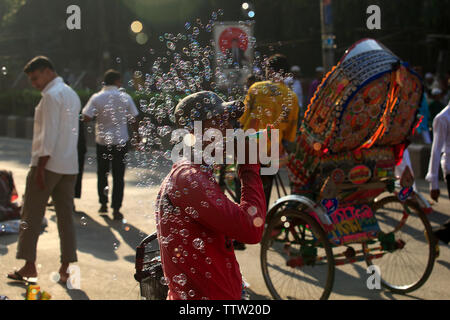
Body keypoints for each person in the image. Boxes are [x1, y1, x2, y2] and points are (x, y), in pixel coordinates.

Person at [156, 91, 266, 300]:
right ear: (193, 132)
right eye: (220, 121)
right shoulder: (189, 178)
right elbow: (252, 229)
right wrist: (249, 167)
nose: (232, 128)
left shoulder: (198, 173)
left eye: (230, 121)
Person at [7, 56, 81, 284]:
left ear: (48, 71)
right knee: (65, 218)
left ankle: (29, 265)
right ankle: (65, 268)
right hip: (69, 165)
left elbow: (47, 135)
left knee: (31, 214)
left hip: (47, 165)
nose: (34, 83)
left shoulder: (51, 96)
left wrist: (40, 167)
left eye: (35, 78)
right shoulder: (71, 93)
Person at [239, 54, 299, 209]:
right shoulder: (292, 97)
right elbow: (290, 133)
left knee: (244, 189)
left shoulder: (256, 88)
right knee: (263, 194)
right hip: (272, 152)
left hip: (249, 148)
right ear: (286, 73)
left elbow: (242, 118)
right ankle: (261, 225)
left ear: (269, 71)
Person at [82, 70, 139, 221]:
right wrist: (138, 137)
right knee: (119, 176)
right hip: (121, 141)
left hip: (102, 141)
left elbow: (86, 117)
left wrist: (99, 116)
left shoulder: (97, 97)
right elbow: (134, 118)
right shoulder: (125, 97)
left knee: (102, 173)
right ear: (117, 81)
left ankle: (103, 204)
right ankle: (116, 209)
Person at [426, 99, 450, 244]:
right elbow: (435, 151)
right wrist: (433, 184)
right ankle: (437, 235)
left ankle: (438, 234)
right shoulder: (442, 118)